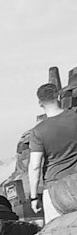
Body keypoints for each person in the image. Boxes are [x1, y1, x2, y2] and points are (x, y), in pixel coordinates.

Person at [27, 83, 77, 223]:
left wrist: (33, 197)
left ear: (40, 103)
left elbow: (35, 166)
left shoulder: (38, 131)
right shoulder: (75, 117)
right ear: (58, 96)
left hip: (55, 189)